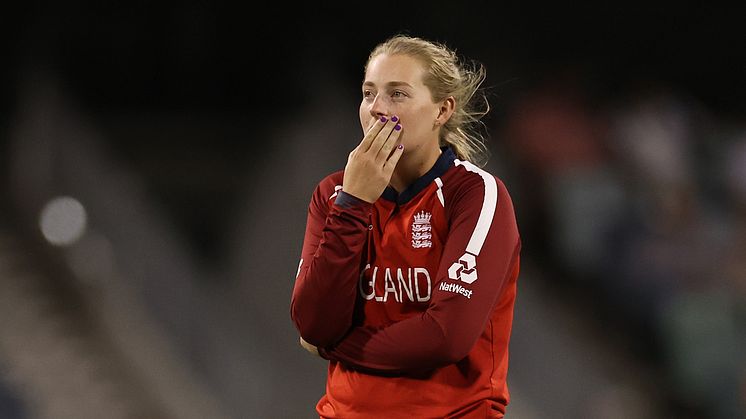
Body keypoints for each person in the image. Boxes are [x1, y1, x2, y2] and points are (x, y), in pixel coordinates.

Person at [290, 34, 521, 419]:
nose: (378, 109)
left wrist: (334, 346)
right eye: (368, 94)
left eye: (397, 94)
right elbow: (312, 321)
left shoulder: (476, 195)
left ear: (442, 110)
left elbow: (445, 337)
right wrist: (354, 205)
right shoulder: (333, 194)